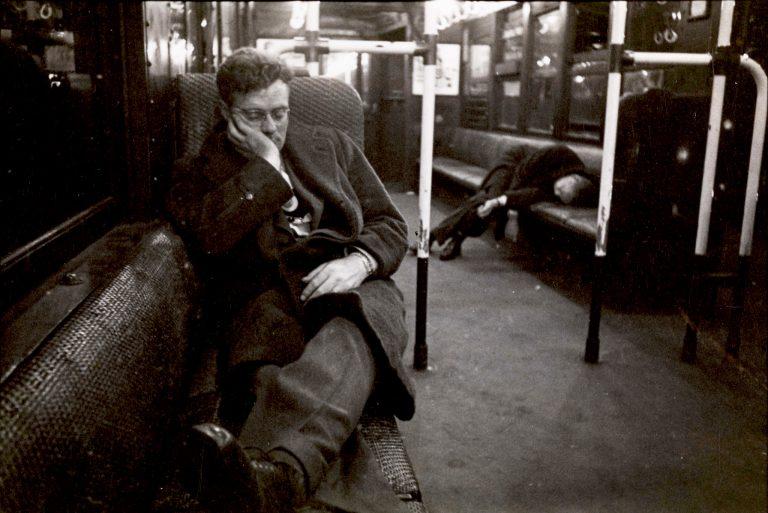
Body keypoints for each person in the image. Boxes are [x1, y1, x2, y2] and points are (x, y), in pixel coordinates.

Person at [165, 48, 413, 513]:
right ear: (224, 111)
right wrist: (267, 167)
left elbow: (391, 224)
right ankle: (281, 479)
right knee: (279, 377)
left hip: (353, 289)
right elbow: (210, 237)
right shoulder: (197, 172)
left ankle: (271, 473)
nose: (271, 127)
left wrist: (359, 262)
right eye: (254, 115)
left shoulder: (332, 145)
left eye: (280, 113)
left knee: (352, 332)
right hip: (268, 301)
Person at [424, 144, 597, 260]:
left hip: (524, 180)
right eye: (559, 190)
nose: (556, 193)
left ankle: (445, 237)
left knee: (485, 202)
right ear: (573, 178)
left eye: (559, 196)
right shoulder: (561, 153)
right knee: (490, 200)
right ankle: (449, 238)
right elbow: (523, 171)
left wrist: (502, 202)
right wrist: (508, 209)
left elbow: (534, 193)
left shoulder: (564, 190)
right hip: (514, 162)